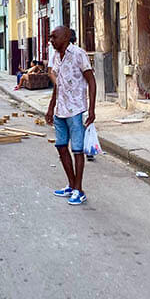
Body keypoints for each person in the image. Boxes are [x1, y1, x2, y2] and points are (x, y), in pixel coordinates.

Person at [47, 26, 96, 206]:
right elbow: (58, 84)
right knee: (61, 146)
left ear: (66, 37)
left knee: (77, 150)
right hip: (60, 108)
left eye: (54, 37)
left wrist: (91, 109)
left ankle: (79, 189)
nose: (51, 40)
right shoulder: (56, 56)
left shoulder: (78, 54)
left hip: (75, 109)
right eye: (50, 37)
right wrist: (51, 107)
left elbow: (91, 80)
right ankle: (71, 184)